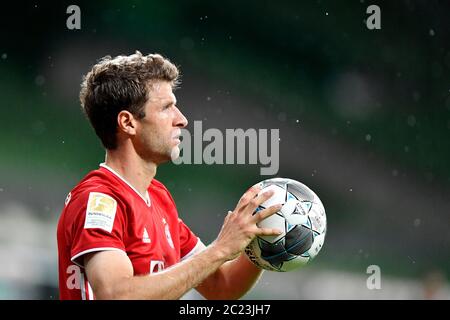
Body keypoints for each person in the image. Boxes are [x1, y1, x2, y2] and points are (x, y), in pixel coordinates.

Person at [57, 51, 282, 300]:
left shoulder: (158, 198)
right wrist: (219, 249)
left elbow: (222, 286)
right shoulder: (99, 200)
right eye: (166, 108)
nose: (182, 120)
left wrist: (266, 241)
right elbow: (116, 295)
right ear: (128, 123)